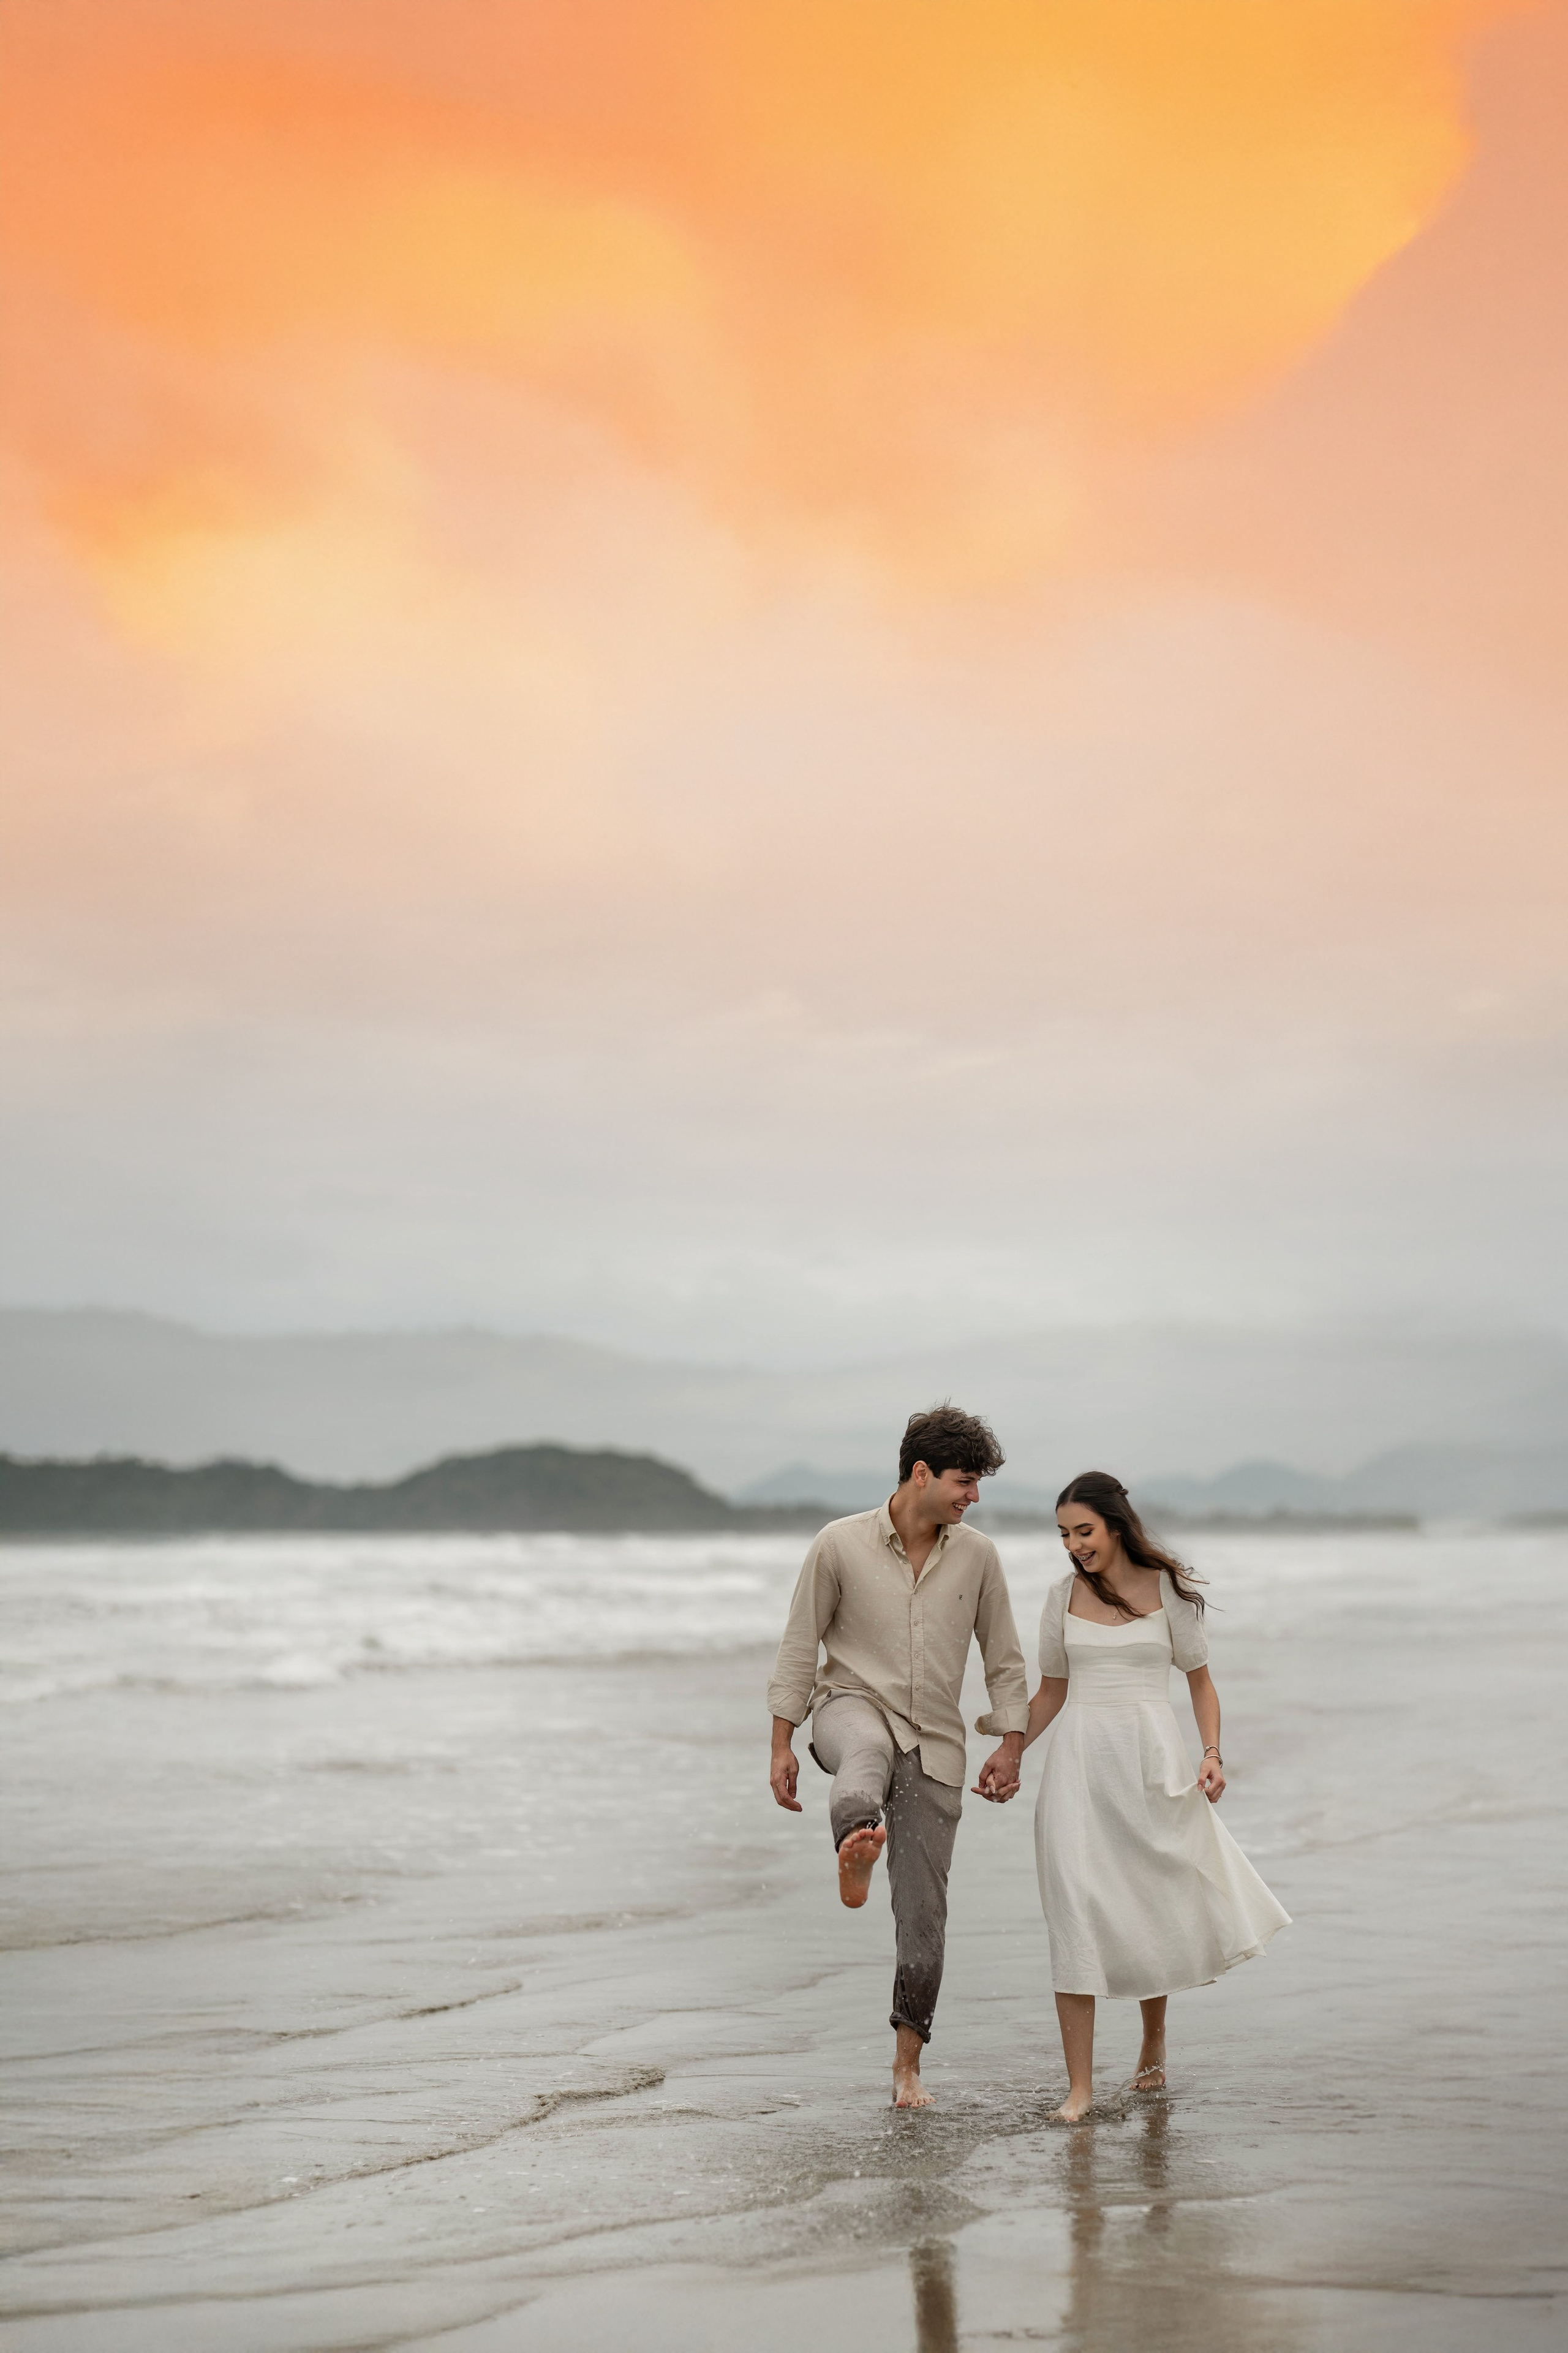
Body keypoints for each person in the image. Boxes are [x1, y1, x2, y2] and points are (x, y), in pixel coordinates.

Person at [1005, 1470, 1291, 2121]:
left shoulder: (1167, 1593)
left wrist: (1212, 1754)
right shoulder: (1061, 1596)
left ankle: (1152, 2044)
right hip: (1078, 1770)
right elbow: (1050, 1691)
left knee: (1147, 1904)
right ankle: (1079, 2087)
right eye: (1063, 1535)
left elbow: (1201, 1684)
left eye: (1084, 1531)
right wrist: (1010, 1748)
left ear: (1115, 1525)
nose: (1074, 1545)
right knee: (1074, 1911)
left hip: (1149, 1765)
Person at [767, 1405, 1030, 2109]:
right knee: (865, 1752)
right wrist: (781, 1742)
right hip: (847, 1707)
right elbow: (799, 1644)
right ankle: (855, 1840)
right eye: (965, 1482)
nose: (973, 1497)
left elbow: (1003, 1658)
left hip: (937, 1744)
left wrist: (1010, 1746)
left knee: (923, 1919)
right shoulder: (838, 1544)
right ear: (921, 1473)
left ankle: (906, 2069)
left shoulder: (978, 1557)